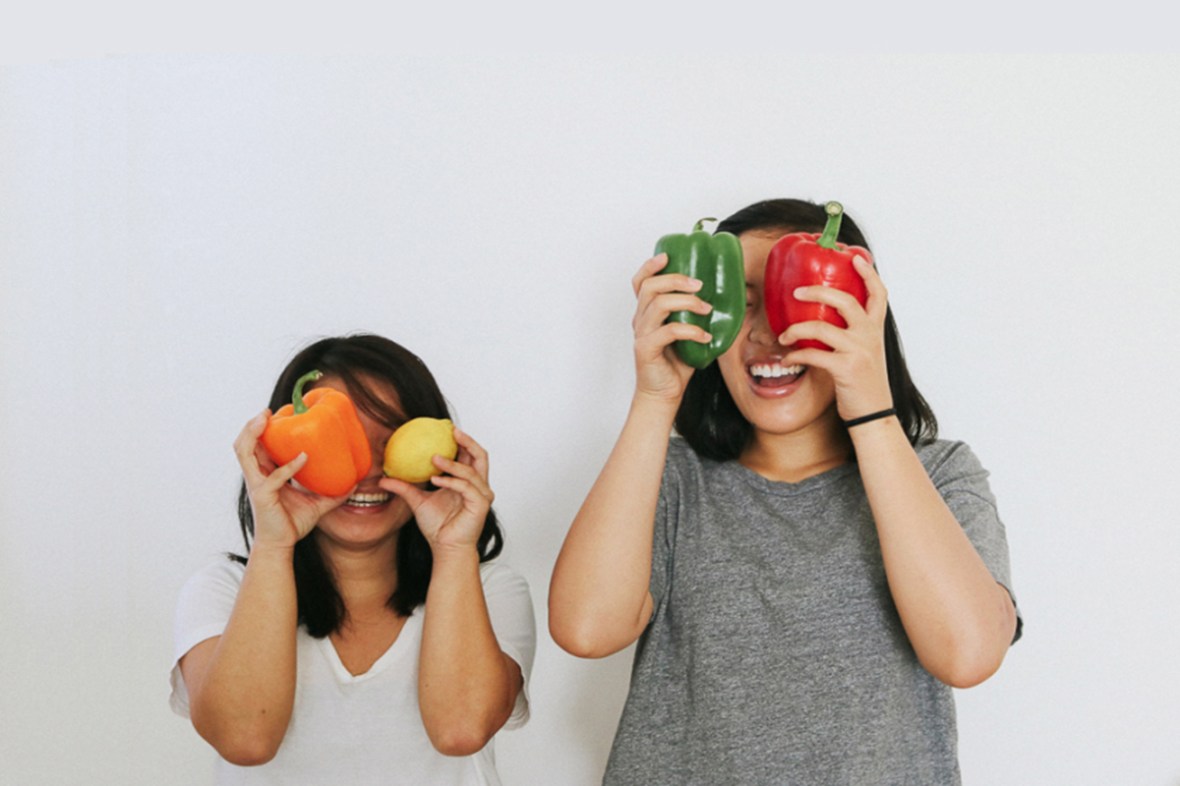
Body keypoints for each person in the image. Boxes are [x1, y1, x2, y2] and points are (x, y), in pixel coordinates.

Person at [548, 198, 1022, 785]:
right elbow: (586, 630)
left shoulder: (941, 475)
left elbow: (968, 654)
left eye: (797, 304)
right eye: (738, 306)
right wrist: (655, 399)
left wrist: (870, 409)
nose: (768, 335)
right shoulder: (668, 480)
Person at [170, 334, 535, 785]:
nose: (366, 470)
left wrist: (455, 548)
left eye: (391, 441)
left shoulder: (490, 589)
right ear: (280, 456)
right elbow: (245, 739)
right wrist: (274, 545)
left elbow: (461, 731)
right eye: (338, 442)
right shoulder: (222, 590)